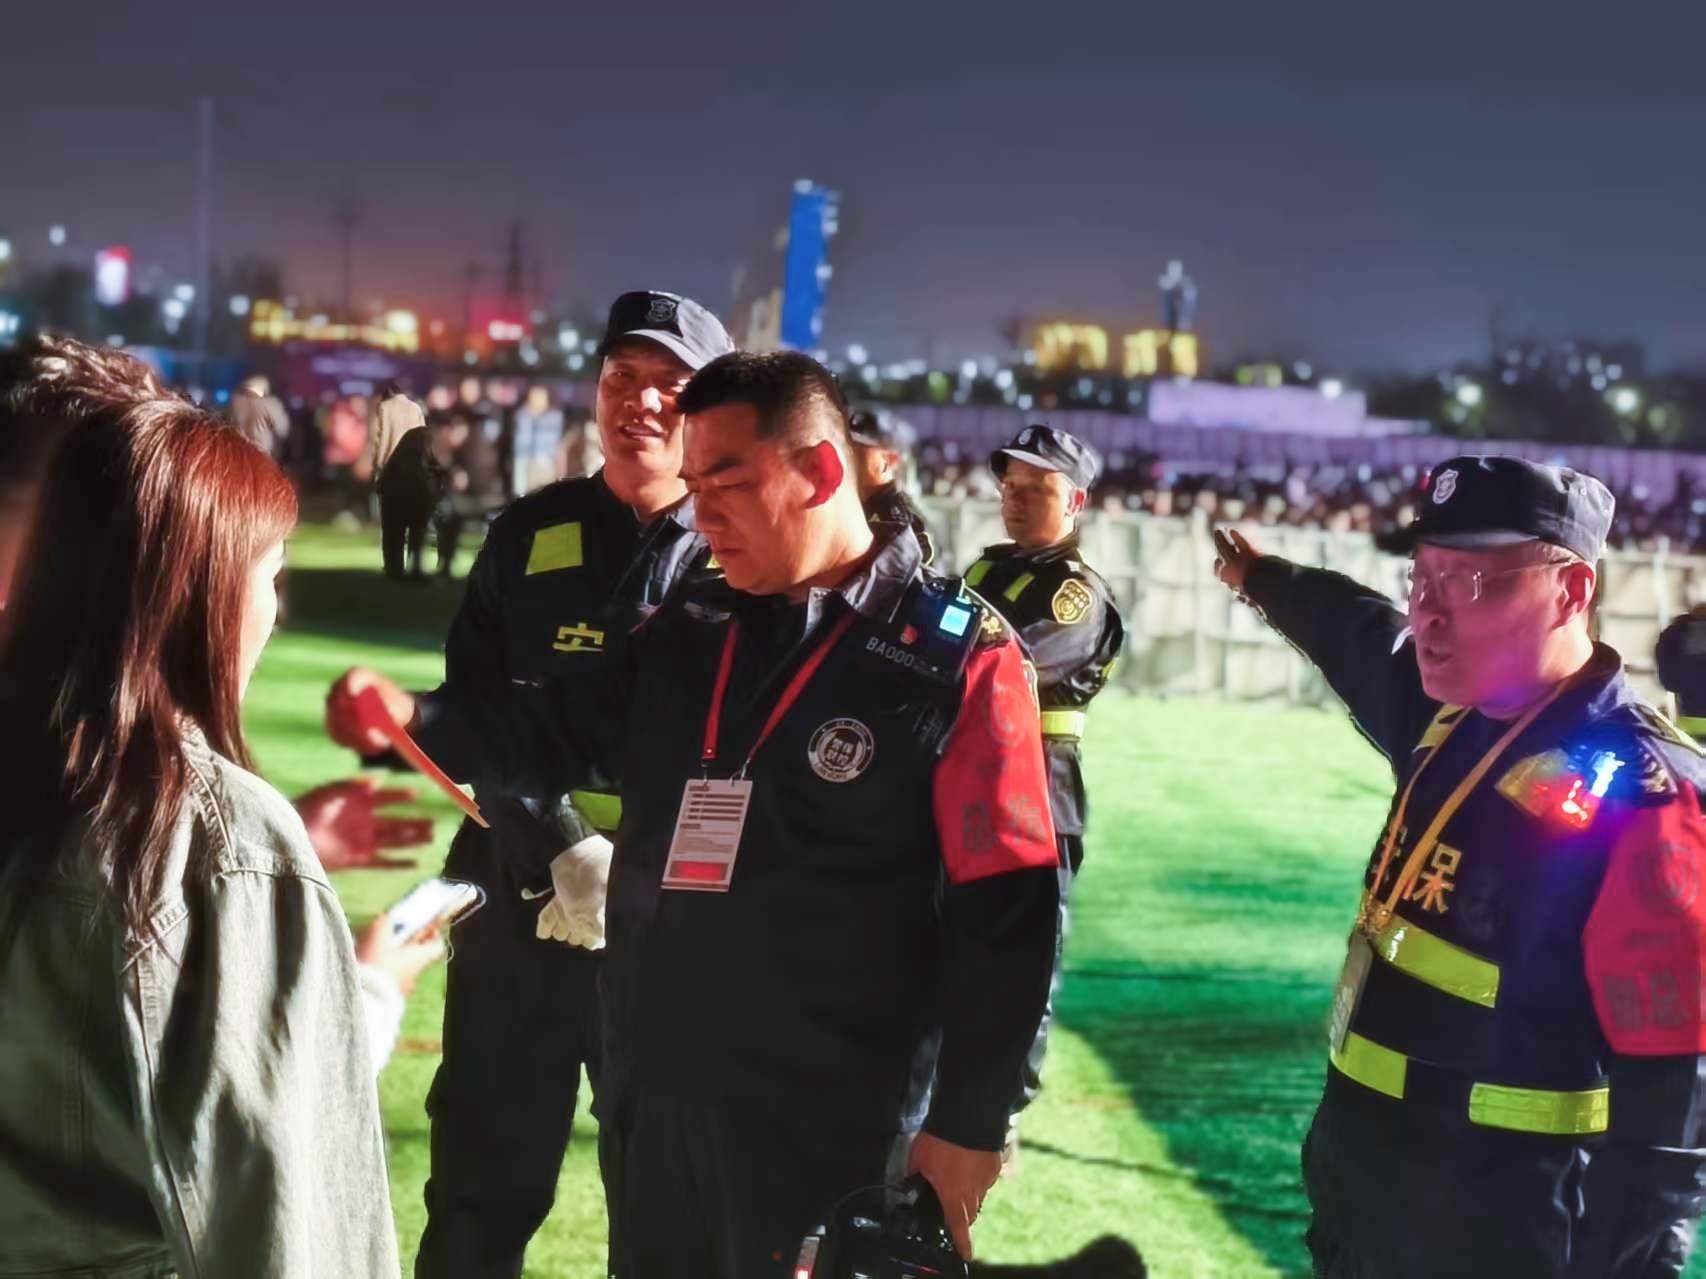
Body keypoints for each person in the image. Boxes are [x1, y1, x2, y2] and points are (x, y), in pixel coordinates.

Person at [327, 350, 1062, 1276]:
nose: (702, 512)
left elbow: (1011, 912)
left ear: (819, 471)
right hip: (659, 1096)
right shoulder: (690, 628)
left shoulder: (955, 658)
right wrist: (414, 718)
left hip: (835, 1130)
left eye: (728, 482)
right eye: (696, 481)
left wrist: (972, 1120)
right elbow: (552, 730)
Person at [1214, 455, 1706, 1277]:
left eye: (1470, 582)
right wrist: (1265, 579)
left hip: (1500, 1230)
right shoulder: (1453, 717)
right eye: (1422, 577)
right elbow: (1360, 633)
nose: (1430, 611)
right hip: (1366, 1201)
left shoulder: (1647, 793)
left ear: (1572, 590)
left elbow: (1675, 1105)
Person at [0, 337, 399, 1275]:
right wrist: (369, 988)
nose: (275, 609)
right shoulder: (216, 839)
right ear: (197, 585)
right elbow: (283, 1222)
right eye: (270, 572)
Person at [370, 290, 731, 1278]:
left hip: (673, 927)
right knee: (477, 1195)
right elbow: (477, 711)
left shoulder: (743, 547)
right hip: (515, 900)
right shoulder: (528, 534)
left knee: (668, 1210)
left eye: (671, 384)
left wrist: (638, 874)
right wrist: (563, 847)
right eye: (623, 377)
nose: (641, 401)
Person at [964, 425, 1125, 1142]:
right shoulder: (987, 569)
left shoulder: (1074, 595)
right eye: (1011, 484)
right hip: (966, 790)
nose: (1018, 498)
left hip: (1035, 799)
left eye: (1040, 487)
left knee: (1021, 968)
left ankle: (997, 1119)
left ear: (1076, 501)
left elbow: (987, 663)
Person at [374, 390, 445, 580]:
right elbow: (437, 467)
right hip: (411, 488)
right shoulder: (433, 441)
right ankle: (414, 569)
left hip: (392, 488)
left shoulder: (417, 436)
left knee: (393, 533)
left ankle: (394, 570)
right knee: (416, 531)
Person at [849, 406, 935, 563]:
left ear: (890, 459)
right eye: (847, 446)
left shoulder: (901, 521)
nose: (849, 454)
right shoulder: (848, 503)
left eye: (860, 449)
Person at [1655, 603, 1706, 742]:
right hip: (1691, 720)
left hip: (1690, 721)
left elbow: (1669, 680)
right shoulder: (1675, 634)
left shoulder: (1674, 634)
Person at [512, 383, 566, 496]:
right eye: (534, 396)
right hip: (529, 463)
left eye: (541, 396)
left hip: (548, 464)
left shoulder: (555, 416)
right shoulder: (523, 416)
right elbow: (521, 444)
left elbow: (559, 445)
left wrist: (560, 472)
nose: (538, 400)